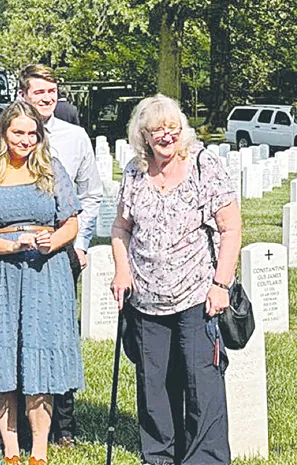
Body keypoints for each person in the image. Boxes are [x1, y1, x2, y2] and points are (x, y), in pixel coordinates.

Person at [110, 95, 241, 465]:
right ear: (143, 136)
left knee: (202, 385)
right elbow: (120, 227)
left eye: (172, 128)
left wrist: (221, 284)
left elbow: (231, 228)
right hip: (146, 298)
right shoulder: (135, 172)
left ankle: (206, 459)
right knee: (153, 387)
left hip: (197, 295)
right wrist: (121, 269)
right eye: (157, 131)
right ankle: (159, 456)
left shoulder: (203, 164)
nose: (166, 136)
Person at [0, 100, 83, 465]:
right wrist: (9, 245)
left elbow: (71, 222)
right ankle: (10, 447)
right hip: (2, 273)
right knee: (4, 356)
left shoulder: (52, 170)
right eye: (17, 132)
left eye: (31, 133)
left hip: (47, 272)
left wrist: (53, 241)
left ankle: (39, 448)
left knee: (42, 356)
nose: (25, 140)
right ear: (4, 133)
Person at [17, 64, 102, 445]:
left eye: (52, 92)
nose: (47, 99)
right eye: (39, 92)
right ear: (24, 95)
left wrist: (79, 243)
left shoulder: (75, 137)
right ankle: (18, 420)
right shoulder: (6, 136)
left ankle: (63, 426)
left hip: (64, 249)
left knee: (59, 335)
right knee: (20, 333)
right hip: (15, 252)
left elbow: (91, 193)